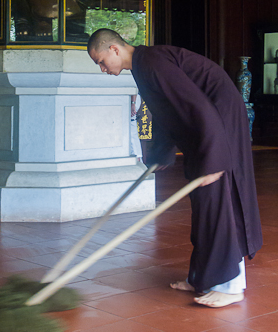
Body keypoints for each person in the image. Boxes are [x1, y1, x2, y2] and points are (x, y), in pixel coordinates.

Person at [87, 28, 263, 308]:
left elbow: (197, 106)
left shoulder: (152, 62)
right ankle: (203, 277)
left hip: (219, 120)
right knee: (202, 199)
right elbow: (167, 111)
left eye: (101, 61)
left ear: (114, 50)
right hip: (206, 125)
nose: (102, 68)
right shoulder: (143, 66)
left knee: (218, 199)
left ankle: (231, 286)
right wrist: (160, 154)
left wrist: (214, 159)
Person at [130, 94, 143, 162]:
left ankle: (137, 157)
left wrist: (133, 103)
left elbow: (133, 86)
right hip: (127, 99)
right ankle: (137, 157)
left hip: (131, 99)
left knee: (131, 127)